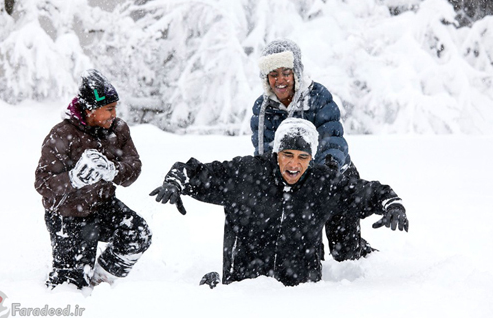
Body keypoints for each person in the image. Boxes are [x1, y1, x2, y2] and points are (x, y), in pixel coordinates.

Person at [150, 118, 408, 287]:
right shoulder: (247, 173)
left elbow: (370, 192)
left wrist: (392, 205)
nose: (294, 164)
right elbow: (194, 172)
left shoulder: (322, 184)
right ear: (276, 154)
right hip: (243, 293)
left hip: (300, 298)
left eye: (303, 157)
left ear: (311, 159)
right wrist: (176, 182)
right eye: (287, 155)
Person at [250, 38, 372, 262]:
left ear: (295, 72)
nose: (280, 80)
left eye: (285, 72)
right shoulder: (263, 108)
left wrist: (327, 169)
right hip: (296, 181)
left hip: (334, 175)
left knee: (345, 253)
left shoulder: (318, 97)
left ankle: (362, 252)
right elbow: (265, 151)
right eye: (273, 74)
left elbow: (332, 137)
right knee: (304, 252)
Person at [35, 69, 152, 290]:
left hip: (103, 206)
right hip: (67, 217)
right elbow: (42, 183)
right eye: (108, 109)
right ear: (90, 109)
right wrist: (73, 179)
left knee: (138, 235)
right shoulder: (61, 135)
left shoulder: (118, 129)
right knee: (70, 288)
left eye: (115, 107)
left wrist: (113, 170)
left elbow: (133, 167)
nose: (114, 114)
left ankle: (101, 281)